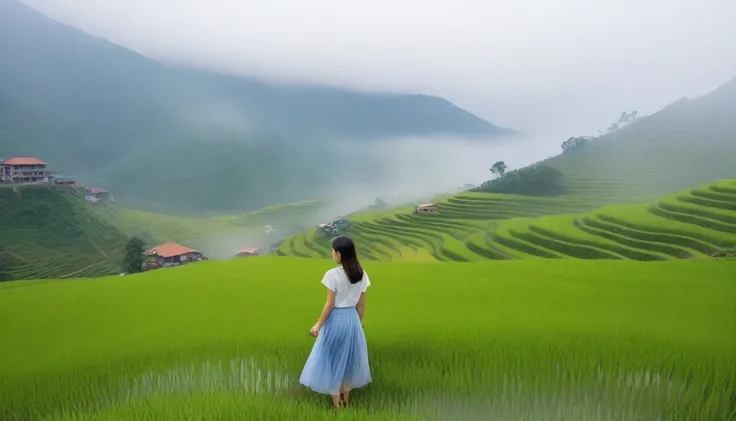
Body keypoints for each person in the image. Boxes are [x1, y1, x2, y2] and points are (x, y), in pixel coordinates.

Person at [299, 236, 372, 409]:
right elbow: (361, 304)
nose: (332, 253)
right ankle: (346, 399)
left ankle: (336, 405)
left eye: (333, 251)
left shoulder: (332, 275)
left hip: (336, 319)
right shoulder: (361, 273)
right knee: (348, 359)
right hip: (352, 320)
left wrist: (318, 325)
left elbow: (330, 303)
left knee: (331, 359)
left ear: (339, 254)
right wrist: (358, 322)